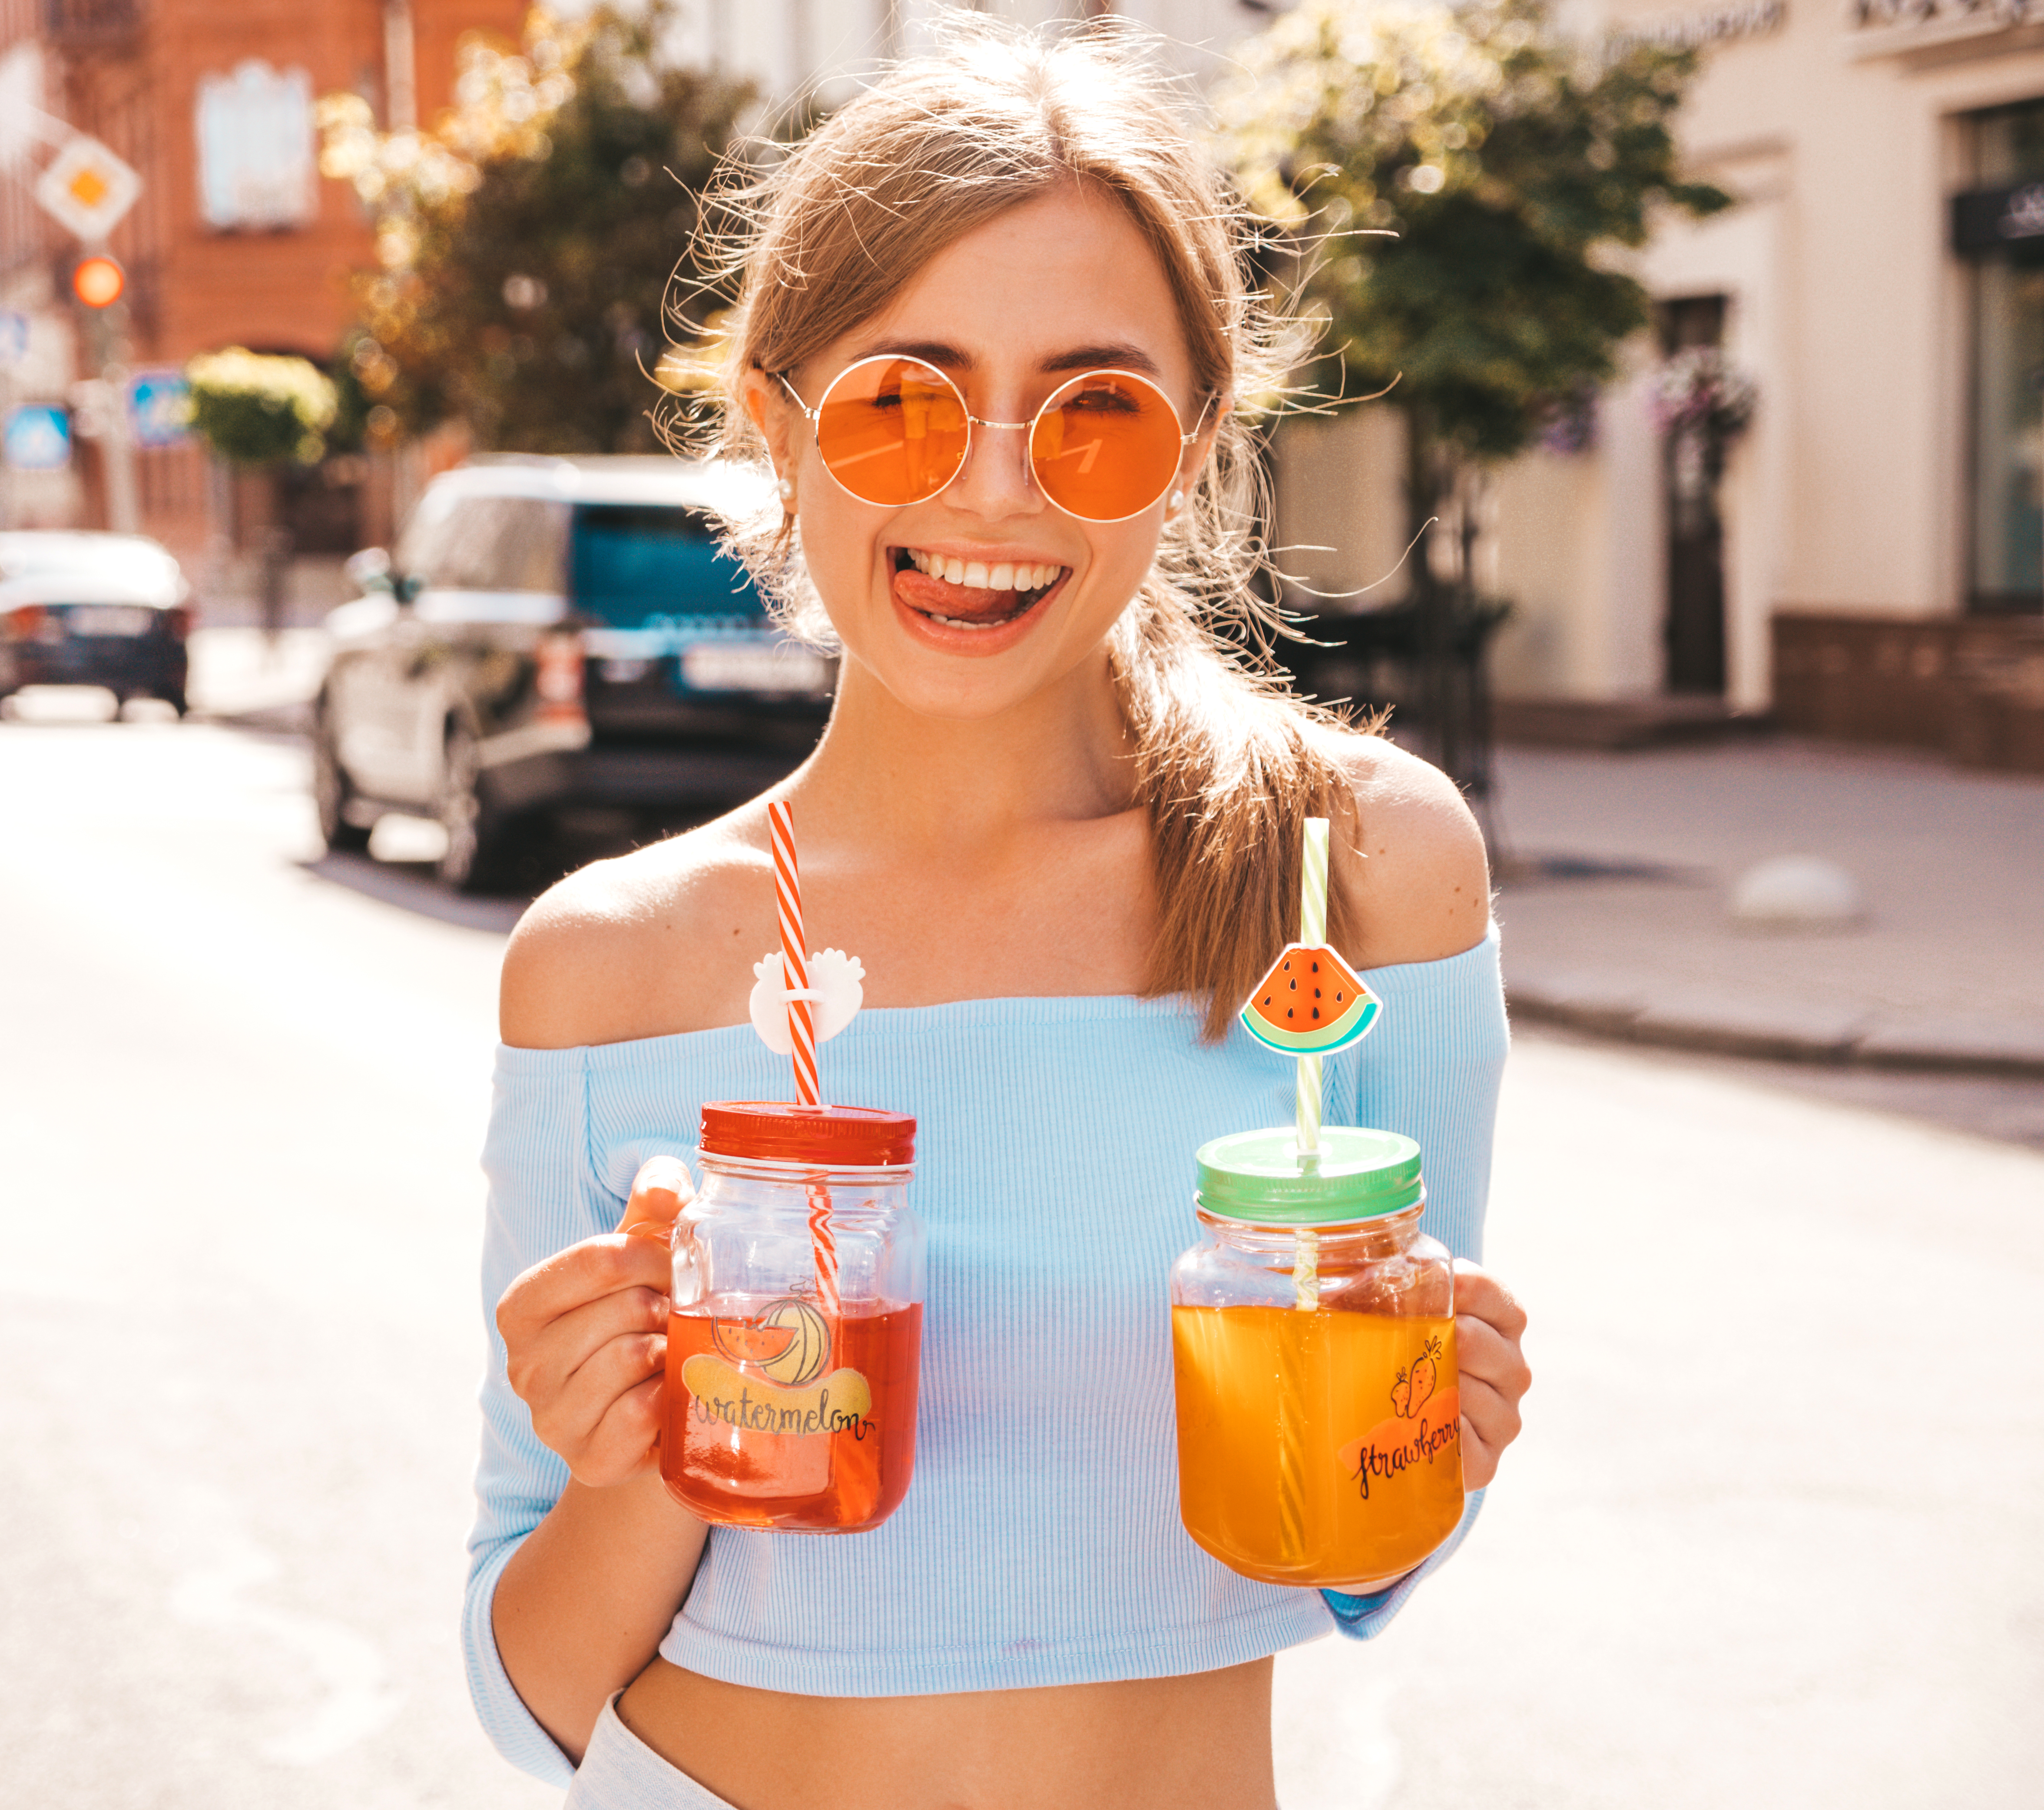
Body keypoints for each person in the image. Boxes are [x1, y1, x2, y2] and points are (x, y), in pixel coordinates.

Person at [470, 21, 1532, 1808]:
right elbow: (533, 1695)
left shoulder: (1348, 879)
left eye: (1095, 412)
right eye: (905, 398)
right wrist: (638, 1452)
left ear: (1191, 451)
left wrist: (1430, 1438)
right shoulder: (611, 962)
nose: (991, 490)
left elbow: (1361, 1570)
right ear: (774, 420)